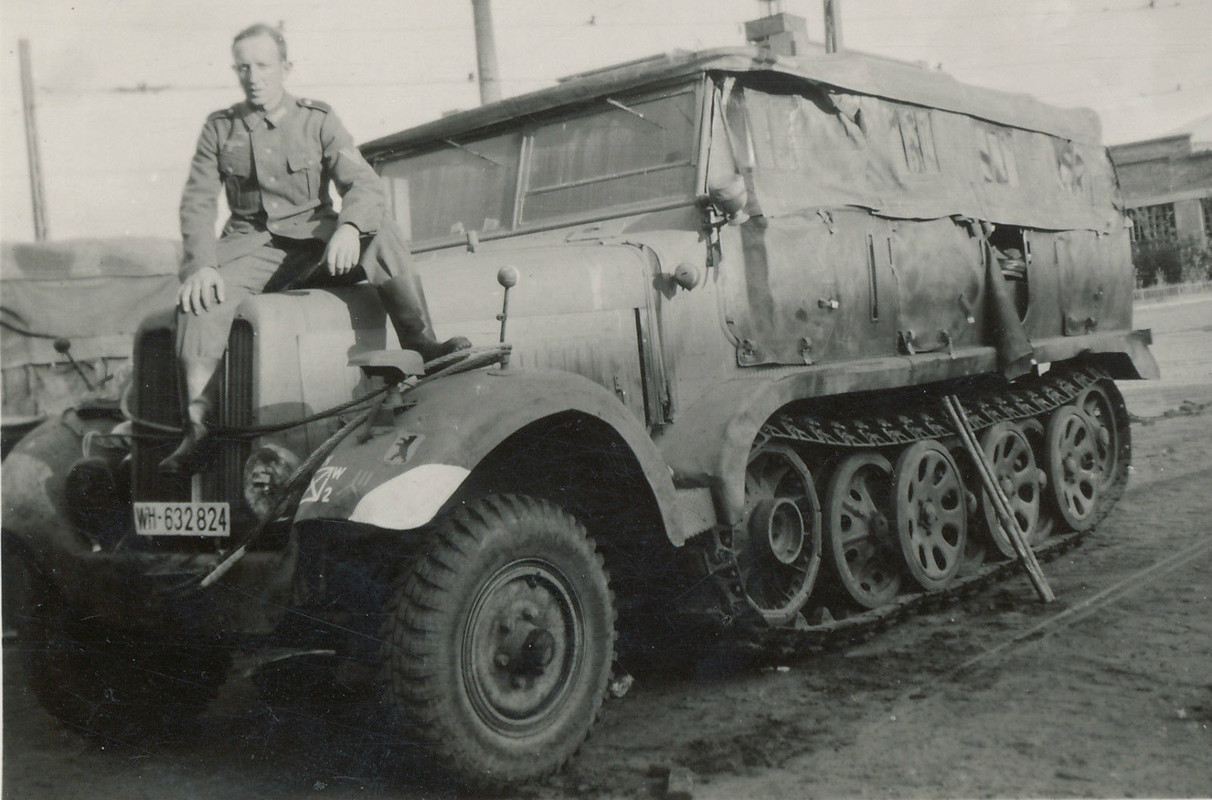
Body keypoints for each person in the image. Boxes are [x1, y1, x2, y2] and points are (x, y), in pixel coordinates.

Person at [162, 23, 468, 474]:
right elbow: (197, 203)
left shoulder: (317, 119)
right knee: (198, 299)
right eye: (243, 67)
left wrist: (349, 227)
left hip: (316, 245)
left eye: (263, 65)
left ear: (285, 67)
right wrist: (202, 266)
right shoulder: (220, 128)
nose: (253, 77)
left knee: (380, 229)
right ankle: (199, 428)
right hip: (250, 249)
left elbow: (364, 183)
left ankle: (421, 342)